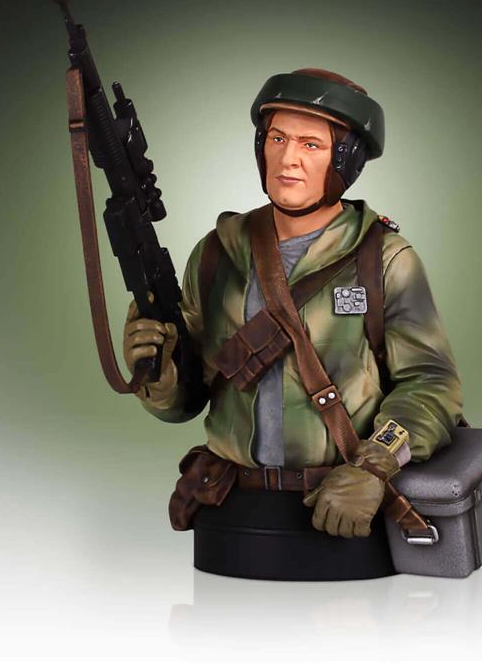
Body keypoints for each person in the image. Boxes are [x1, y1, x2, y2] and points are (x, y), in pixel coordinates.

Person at [122, 68, 463, 580]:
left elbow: (431, 384)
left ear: (345, 160)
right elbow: (190, 397)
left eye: (311, 144)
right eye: (278, 138)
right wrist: (160, 377)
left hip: (343, 514)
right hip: (230, 514)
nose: (288, 159)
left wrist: (374, 466)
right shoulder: (217, 254)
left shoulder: (383, 259)